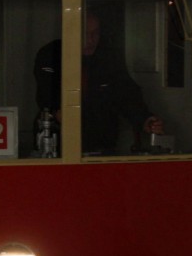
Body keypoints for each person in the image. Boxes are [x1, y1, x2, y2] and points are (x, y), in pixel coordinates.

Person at [34, 11, 163, 155]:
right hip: (57, 145)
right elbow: (46, 91)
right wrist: (57, 110)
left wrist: (144, 119)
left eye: (95, 33)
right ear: (70, 32)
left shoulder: (108, 57)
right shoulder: (50, 54)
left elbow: (126, 93)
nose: (90, 40)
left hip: (102, 146)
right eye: (84, 34)